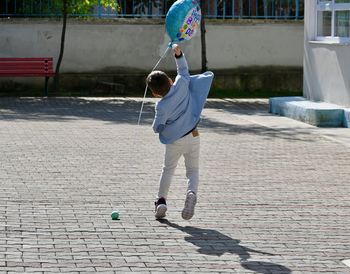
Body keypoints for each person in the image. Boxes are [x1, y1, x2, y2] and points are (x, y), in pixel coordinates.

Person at [146, 44, 214, 220]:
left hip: (174, 141)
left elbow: (157, 127)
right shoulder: (182, 84)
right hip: (193, 135)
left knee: (168, 169)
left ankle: (161, 201)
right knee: (192, 170)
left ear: (154, 94)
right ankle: (191, 193)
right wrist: (178, 53)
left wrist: (162, 126)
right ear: (170, 80)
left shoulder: (161, 106)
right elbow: (183, 70)